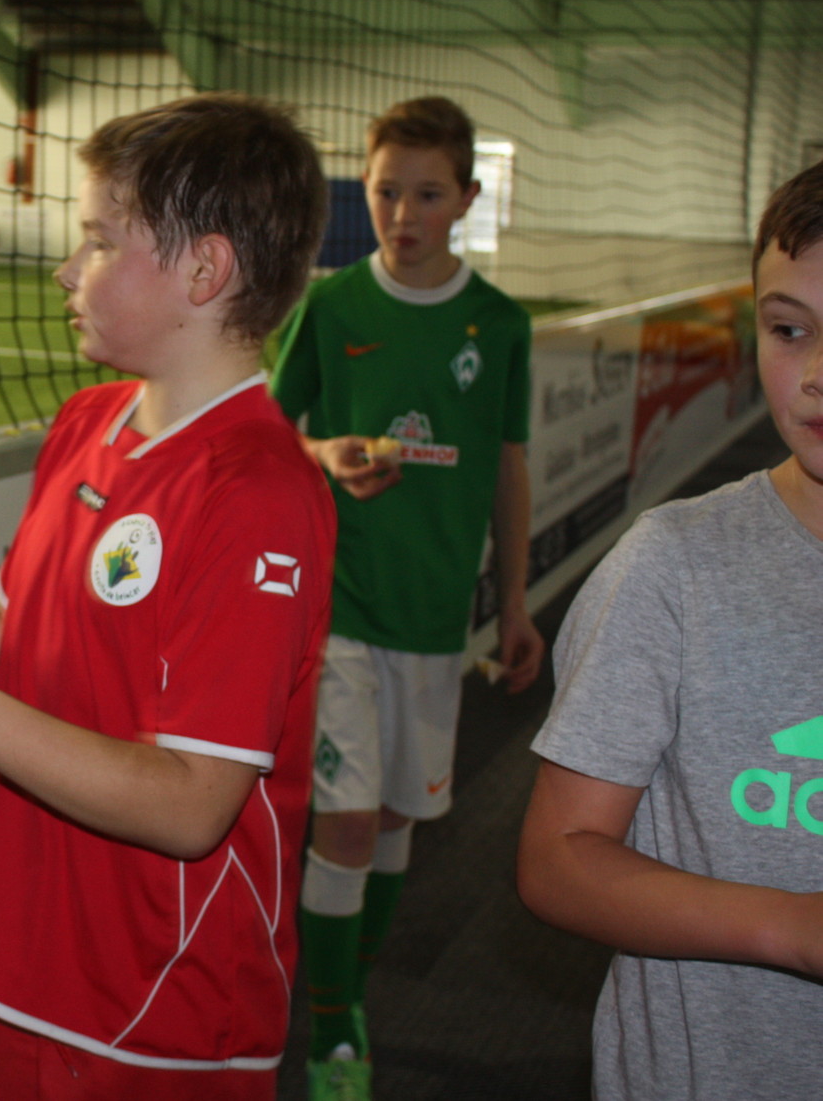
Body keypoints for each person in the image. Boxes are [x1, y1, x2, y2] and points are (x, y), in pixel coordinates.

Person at [0, 92, 336, 1100]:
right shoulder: (86, 423)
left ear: (204, 270)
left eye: (101, 241)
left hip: (159, 1009)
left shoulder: (257, 491)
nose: (68, 270)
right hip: (24, 967)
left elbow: (192, 802)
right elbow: (23, 631)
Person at [515, 161, 823, 1100]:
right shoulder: (675, 566)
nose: (816, 374)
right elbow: (558, 857)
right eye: (789, 330)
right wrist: (792, 927)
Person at [269, 95, 543, 1099]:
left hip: (435, 619)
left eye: (427, 194)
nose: (402, 213)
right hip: (339, 609)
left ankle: (352, 977)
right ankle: (335, 1027)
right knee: (343, 825)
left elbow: (507, 464)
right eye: (387, 191)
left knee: (392, 821)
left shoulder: (498, 323)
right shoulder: (334, 306)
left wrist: (514, 603)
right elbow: (268, 433)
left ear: (466, 198)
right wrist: (321, 454)